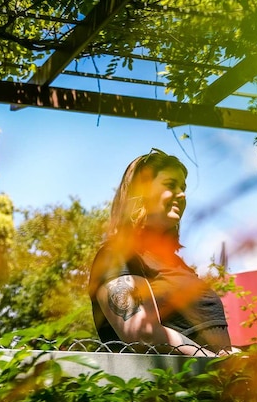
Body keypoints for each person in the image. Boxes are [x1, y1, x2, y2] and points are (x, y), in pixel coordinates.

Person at [88, 149, 233, 357]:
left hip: (215, 381)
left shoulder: (176, 264)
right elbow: (142, 334)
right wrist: (215, 362)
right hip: (171, 386)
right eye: (170, 185)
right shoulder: (116, 256)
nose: (182, 194)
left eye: (183, 187)